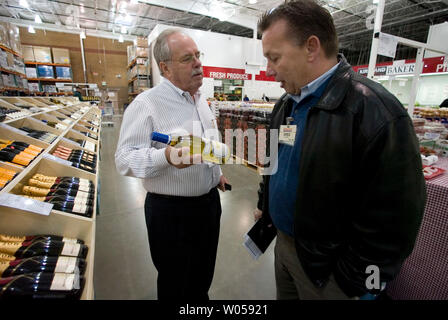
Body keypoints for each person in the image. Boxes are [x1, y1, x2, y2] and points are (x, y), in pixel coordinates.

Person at [253, 0, 425, 300]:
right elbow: (273, 162)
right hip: (284, 248)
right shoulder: (285, 104)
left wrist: (357, 281)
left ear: (311, 47)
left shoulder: (376, 111)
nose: (268, 70)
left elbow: (396, 219)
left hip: (330, 272)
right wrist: (265, 203)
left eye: (274, 58)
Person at [115, 28, 229, 300]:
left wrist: (217, 174)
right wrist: (164, 157)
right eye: (188, 58)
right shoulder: (146, 105)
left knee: (202, 278)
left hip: (208, 205)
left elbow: (208, 144)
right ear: (165, 68)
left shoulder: (202, 100)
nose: (198, 63)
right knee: (175, 284)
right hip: (172, 214)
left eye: (198, 56)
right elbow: (124, 159)